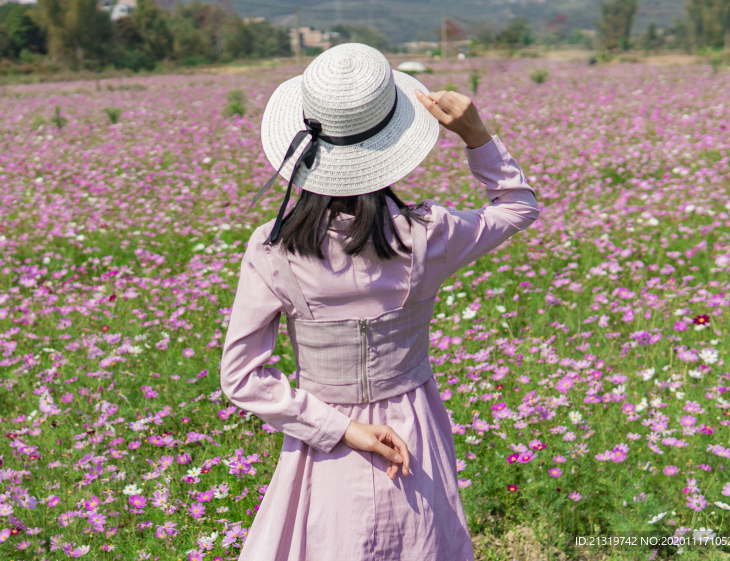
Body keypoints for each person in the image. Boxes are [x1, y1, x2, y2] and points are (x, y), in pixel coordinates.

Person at [220, 43, 540, 560]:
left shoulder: (272, 247)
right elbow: (517, 206)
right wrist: (477, 134)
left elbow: (240, 377)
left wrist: (342, 429)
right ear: (393, 142)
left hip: (324, 439)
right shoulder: (428, 234)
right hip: (415, 431)